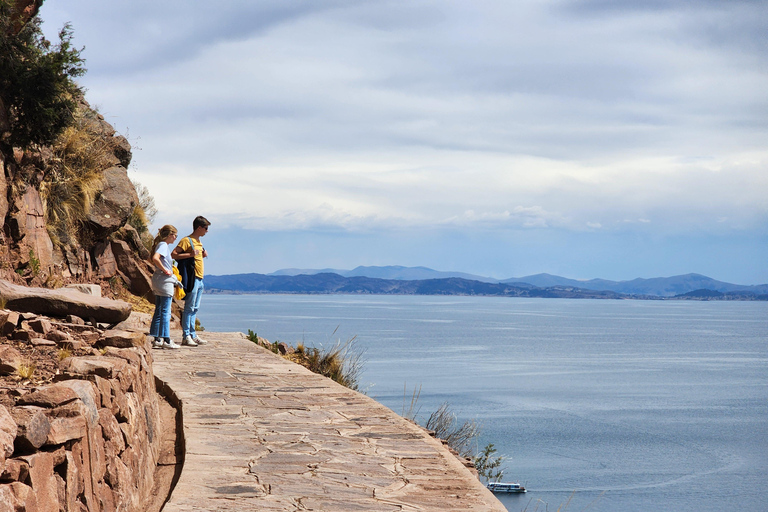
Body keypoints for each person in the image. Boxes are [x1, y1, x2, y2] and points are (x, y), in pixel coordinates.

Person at [172, 215, 210, 346]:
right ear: (199, 227)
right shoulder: (186, 241)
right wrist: (190, 254)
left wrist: (203, 254)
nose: (207, 231)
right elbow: (174, 254)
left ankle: (193, 335)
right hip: (193, 279)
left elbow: (197, 256)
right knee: (189, 308)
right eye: (205, 228)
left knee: (195, 308)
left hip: (200, 279)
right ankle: (186, 336)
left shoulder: (199, 242)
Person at [149, 225, 182, 349]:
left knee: (159, 309)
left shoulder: (160, 245)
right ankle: (166, 339)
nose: (175, 238)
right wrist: (166, 270)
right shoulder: (163, 245)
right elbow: (155, 258)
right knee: (166, 311)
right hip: (164, 281)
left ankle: (157, 338)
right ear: (170, 235)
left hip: (157, 281)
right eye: (175, 235)